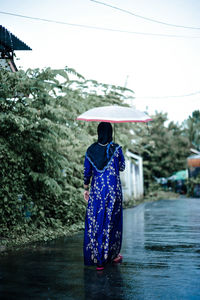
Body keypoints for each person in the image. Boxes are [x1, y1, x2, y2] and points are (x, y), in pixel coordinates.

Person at [83, 122, 125, 270]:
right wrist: (117, 152)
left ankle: (98, 259)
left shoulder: (91, 150)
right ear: (111, 132)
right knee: (111, 221)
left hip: (97, 191)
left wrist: (86, 188)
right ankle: (112, 255)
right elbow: (122, 167)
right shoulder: (116, 148)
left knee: (97, 221)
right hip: (114, 191)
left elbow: (87, 172)